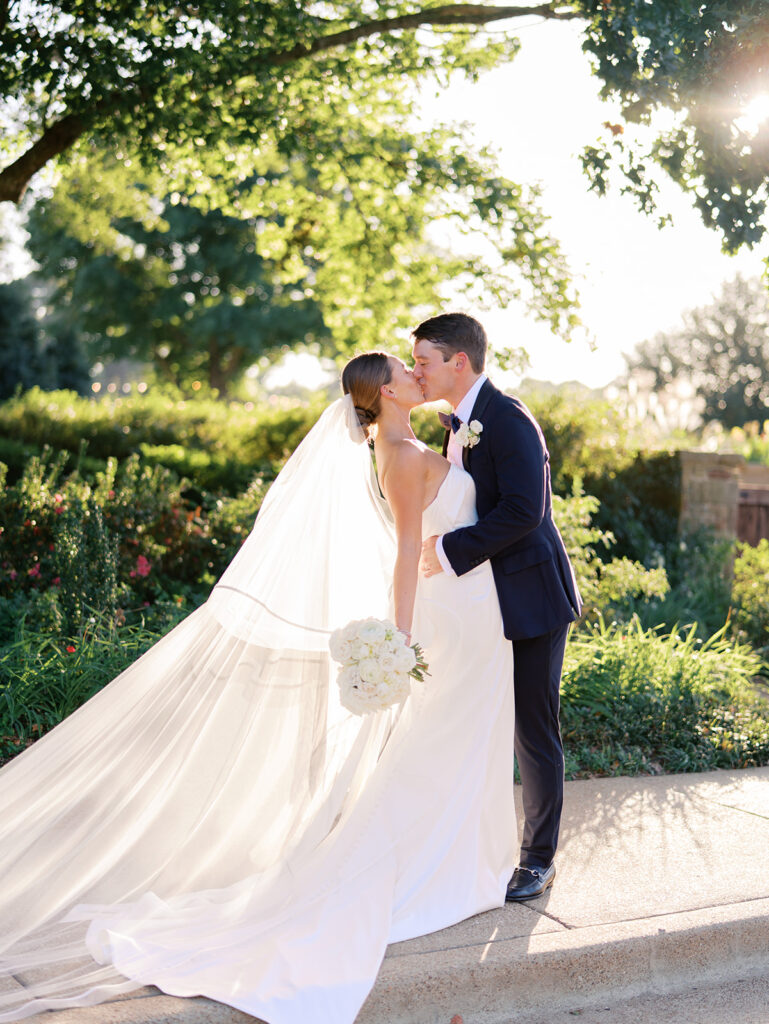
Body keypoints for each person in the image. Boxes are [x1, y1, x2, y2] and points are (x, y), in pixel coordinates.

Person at [0, 351, 517, 1024]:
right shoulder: (399, 454)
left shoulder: (414, 441)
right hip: (447, 618)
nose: (417, 373)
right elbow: (404, 554)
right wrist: (399, 638)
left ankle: (461, 863)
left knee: (451, 742)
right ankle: (439, 871)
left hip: (471, 610)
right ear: (387, 391)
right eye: (404, 368)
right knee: (436, 743)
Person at [414, 313, 581, 902]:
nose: (416, 371)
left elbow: (525, 510)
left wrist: (448, 551)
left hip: (529, 595)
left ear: (460, 361)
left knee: (532, 729)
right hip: (480, 601)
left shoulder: (507, 419)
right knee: (481, 719)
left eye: (424, 361)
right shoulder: (455, 425)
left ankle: (538, 860)